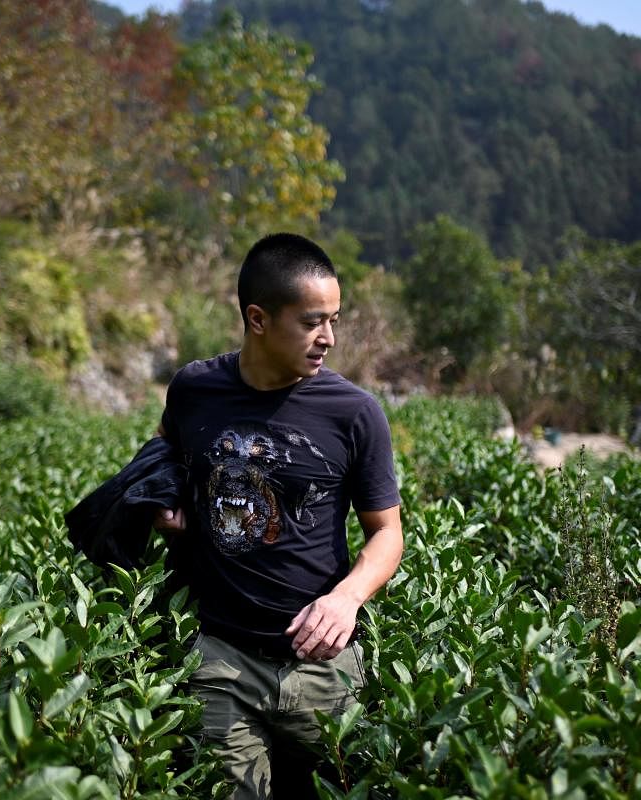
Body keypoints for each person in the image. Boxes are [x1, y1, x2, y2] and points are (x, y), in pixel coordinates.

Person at [153, 232, 403, 799]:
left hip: (321, 664)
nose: (329, 339)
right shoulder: (195, 389)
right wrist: (164, 499)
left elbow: (386, 532)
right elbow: (162, 452)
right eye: (313, 322)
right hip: (221, 658)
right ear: (258, 319)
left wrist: (347, 598)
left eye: (334, 320)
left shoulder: (355, 413)